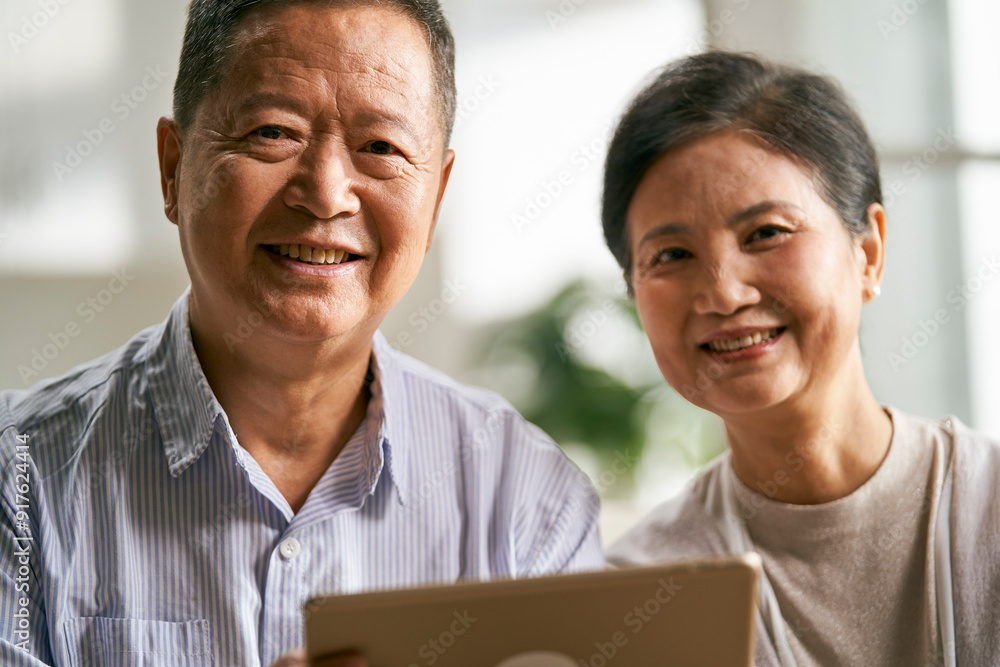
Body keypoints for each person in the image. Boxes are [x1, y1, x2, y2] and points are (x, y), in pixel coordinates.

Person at [0, 1, 603, 665]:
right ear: (172, 167)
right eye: (272, 132)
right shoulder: (20, 478)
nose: (325, 193)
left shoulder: (525, 498)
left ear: (436, 200)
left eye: (381, 147)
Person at [600, 52, 1000, 667]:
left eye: (767, 233)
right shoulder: (639, 594)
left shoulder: (986, 508)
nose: (724, 294)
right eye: (672, 256)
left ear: (868, 253)